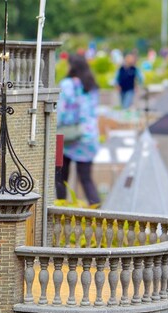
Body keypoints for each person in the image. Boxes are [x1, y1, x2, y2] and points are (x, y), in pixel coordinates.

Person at [56, 54, 101, 205]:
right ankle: (98, 212)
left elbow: (61, 112)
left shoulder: (67, 84)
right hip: (88, 136)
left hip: (69, 136)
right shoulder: (91, 85)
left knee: (61, 178)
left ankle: (59, 210)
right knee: (86, 179)